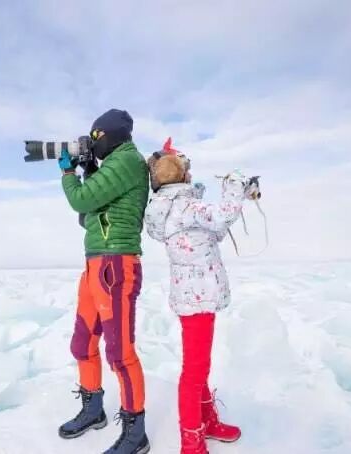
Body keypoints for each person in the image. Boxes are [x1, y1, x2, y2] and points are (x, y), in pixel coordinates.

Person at [144, 139, 257, 454]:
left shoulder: (172, 208)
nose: (191, 173)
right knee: (194, 373)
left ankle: (207, 423)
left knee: (198, 368)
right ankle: (191, 443)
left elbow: (213, 231)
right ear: (180, 175)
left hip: (192, 297)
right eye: (186, 169)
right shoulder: (186, 207)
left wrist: (233, 198)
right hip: (198, 298)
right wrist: (235, 184)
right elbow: (222, 215)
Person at [57, 109, 151, 454]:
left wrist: (69, 172)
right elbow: (90, 216)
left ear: (108, 136)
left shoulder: (127, 161)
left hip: (116, 264)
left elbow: (80, 200)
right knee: (82, 343)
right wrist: (89, 170)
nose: (92, 144)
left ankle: (135, 432)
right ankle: (93, 409)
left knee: (120, 353)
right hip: (95, 264)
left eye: (95, 138)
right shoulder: (114, 164)